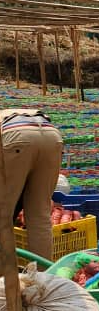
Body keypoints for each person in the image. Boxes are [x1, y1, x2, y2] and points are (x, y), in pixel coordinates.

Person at [0, 109, 62, 260]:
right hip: (52, 136)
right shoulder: (7, 111)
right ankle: (42, 276)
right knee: (40, 214)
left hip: (15, 135)